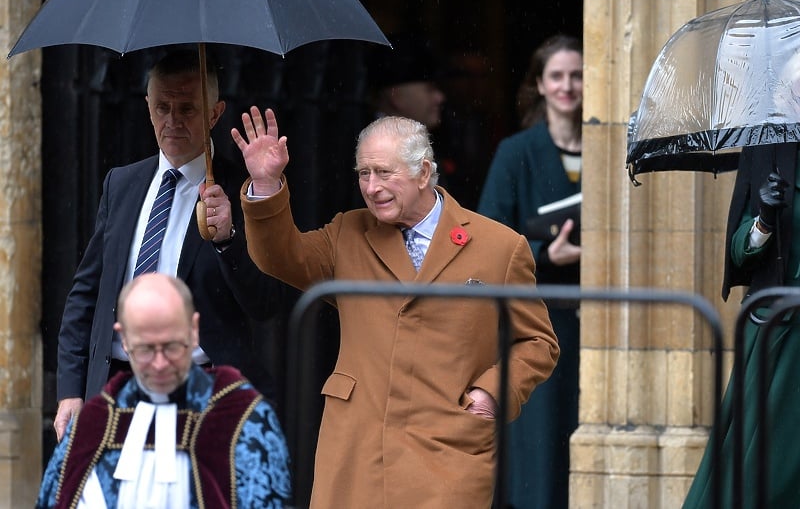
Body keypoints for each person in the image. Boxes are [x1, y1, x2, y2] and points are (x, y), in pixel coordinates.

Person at [231, 108, 560, 507]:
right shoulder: (348, 233)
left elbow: (538, 342)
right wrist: (266, 186)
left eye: (384, 173)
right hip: (357, 451)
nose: (371, 187)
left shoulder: (500, 248)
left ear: (424, 173)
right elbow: (281, 257)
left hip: (447, 453)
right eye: (363, 173)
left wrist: (492, 395)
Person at [53, 48, 286, 442]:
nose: (172, 121)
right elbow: (86, 294)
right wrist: (70, 391)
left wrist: (227, 239)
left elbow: (265, 303)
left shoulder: (240, 192)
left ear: (215, 113)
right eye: (162, 107)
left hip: (201, 393)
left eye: (188, 109)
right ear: (147, 106)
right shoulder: (121, 183)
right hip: (114, 387)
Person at [36, 273, 292, 508]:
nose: (159, 364)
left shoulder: (245, 419)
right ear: (123, 338)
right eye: (146, 349)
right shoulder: (91, 427)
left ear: (193, 330)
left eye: (171, 346)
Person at [476, 34, 583, 509]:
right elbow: (488, 236)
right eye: (557, 76)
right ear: (539, 84)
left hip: (594, 322)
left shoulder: (607, 146)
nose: (568, 85)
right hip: (536, 321)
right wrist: (543, 252)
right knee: (540, 447)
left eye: (577, 75)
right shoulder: (516, 151)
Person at [682, 142, 800, 508]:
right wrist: (764, 220)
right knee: (756, 477)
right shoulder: (769, 148)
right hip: (781, 336)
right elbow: (739, 252)